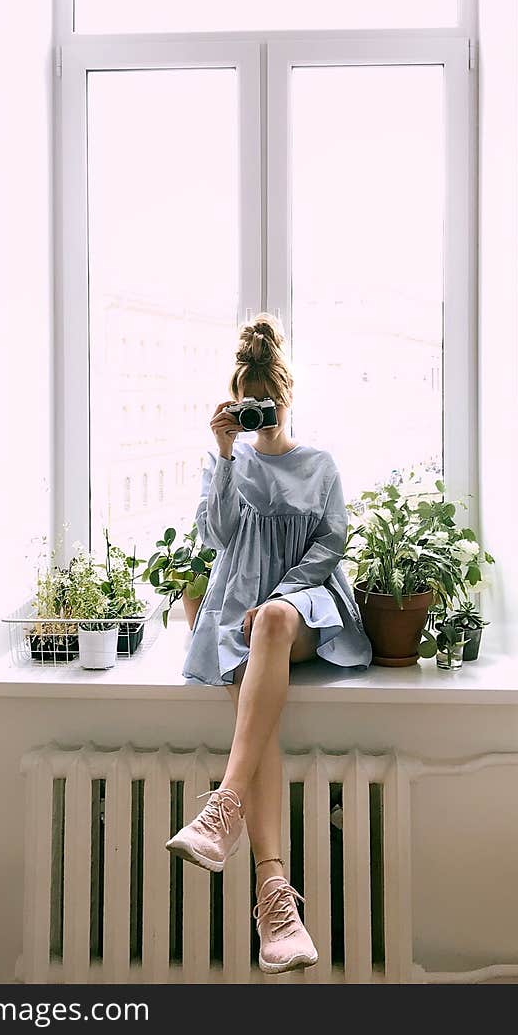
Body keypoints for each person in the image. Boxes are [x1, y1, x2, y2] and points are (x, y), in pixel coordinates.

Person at [165, 313, 372, 975]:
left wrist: (282, 594)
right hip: (237, 616)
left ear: (286, 397)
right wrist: (225, 453)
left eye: (269, 404)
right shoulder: (228, 461)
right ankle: (274, 897)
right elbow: (218, 537)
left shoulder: (320, 464)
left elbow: (333, 542)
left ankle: (222, 808)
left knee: (274, 623)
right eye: (249, 407)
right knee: (261, 726)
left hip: (305, 605)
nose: (262, 416)